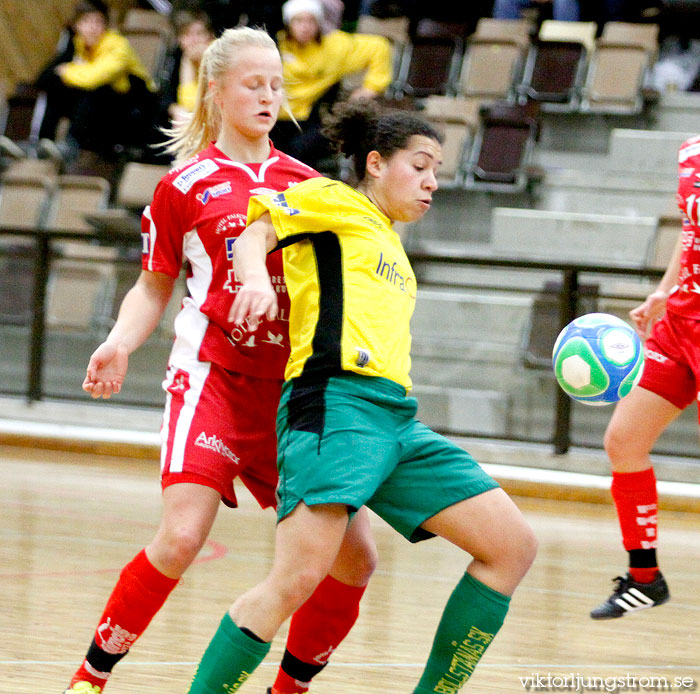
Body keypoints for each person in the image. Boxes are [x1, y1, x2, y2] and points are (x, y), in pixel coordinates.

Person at [185, 99, 538, 694]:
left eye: (438, 172)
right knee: (295, 579)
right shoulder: (335, 200)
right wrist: (250, 279)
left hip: (396, 421)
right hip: (334, 406)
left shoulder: (394, 247)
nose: (432, 182)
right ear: (375, 163)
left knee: (512, 547)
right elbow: (257, 233)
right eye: (420, 165)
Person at [63, 26, 377, 694]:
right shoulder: (183, 186)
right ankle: (90, 677)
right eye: (254, 83)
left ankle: (288, 688)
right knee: (179, 539)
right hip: (212, 380)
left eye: (276, 84)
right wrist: (119, 343)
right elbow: (154, 286)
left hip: (291, 397)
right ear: (218, 90)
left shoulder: (306, 183)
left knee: (355, 561)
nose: (269, 96)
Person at [589, 135, 700, 620]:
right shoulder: (691, 151)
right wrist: (664, 291)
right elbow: (689, 230)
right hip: (679, 323)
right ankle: (644, 578)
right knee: (624, 440)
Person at [35, 0, 156, 175]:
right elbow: (44, 78)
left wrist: (69, 70)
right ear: (76, 26)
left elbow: (94, 79)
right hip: (98, 113)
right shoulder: (78, 45)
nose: (92, 28)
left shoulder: (118, 45)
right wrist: (74, 71)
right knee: (57, 90)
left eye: (97, 22)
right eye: (86, 22)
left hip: (132, 115)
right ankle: (42, 143)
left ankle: (71, 146)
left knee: (92, 91)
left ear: (105, 25)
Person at [271, 0, 393, 169]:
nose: (305, 27)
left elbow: (379, 46)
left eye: (311, 21)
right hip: (275, 117)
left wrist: (371, 87)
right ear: (288, 23)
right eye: (298, 21)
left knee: (298, 151)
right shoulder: (275, 45)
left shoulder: (334, 46)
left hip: (310, 119)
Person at [158, 9, 216, 127]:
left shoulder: (219, 57)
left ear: (210, 36)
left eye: (199, 33)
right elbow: (167, 96)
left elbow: (192, 104)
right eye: (187, 34)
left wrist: (189, 62)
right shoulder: (178, 55)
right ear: (179, 39)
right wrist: (175, 109)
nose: (193, 40)